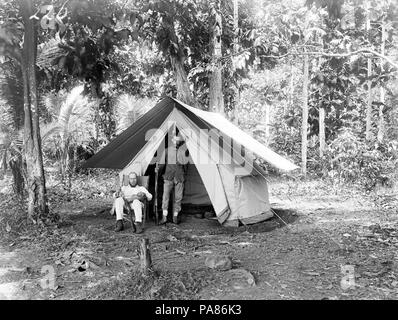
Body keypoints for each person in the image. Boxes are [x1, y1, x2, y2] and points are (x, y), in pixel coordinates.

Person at [159, 135, 188, 225]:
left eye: (178, 141)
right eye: (175, 140)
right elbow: (162, 164)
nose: (177, 142)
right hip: (168, 176)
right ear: (172, 140)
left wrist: (183, 176)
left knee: (178, 198)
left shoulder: (183, 152)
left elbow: (185, 166)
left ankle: (175, 217)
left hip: (179, 177)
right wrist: (160, 173)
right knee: (165, 197)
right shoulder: (166, 151)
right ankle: (164, 217)